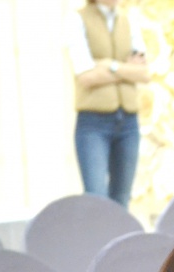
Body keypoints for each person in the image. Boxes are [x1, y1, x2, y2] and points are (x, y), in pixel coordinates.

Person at [67, 0, 151, 208]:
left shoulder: (129, 21)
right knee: (97, 199)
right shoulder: (78, 19)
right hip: (93, 123)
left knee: (122, 198)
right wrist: (127, 70)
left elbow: (144, 73)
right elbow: (86, 77)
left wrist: (109, 65)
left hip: (128, 122)